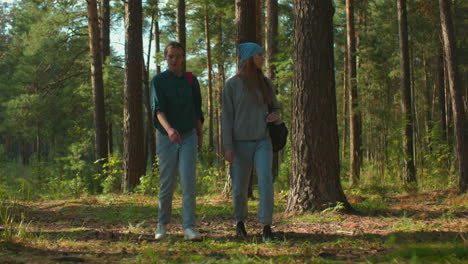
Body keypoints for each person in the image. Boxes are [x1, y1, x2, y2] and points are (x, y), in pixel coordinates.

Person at [222, 42, 281, 242]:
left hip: (263, 141)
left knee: (265, 180)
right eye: (258, 55)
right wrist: (228, 146)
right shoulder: (232, 85)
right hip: (239, 144)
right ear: (248, 58)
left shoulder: (266, 83)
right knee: (239, 186)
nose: (262, 59)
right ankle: (240, 223)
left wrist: (275, 116)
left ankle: (266, 226)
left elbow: (276, 109)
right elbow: (227, 118)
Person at [150, 41, 204, 241]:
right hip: (167, 138)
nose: (174, 60)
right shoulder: (158, 81)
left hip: (189, 136)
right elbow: (157, 110)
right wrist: (169, 129)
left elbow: (197, 110)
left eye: (178, 56)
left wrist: (200, 135)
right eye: (170, 56)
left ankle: (189, 227)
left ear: (183, 58)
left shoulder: (191, 80)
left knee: (189, 183)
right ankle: (162, 225)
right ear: (166, 58)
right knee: (167, 182)